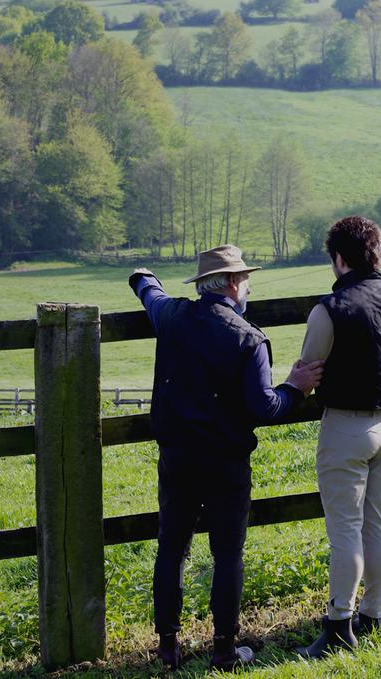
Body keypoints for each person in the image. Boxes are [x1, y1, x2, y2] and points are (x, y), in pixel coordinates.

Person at [129, 244, 323, 671]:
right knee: (228, 553)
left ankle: (167, 647)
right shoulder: (248, 338)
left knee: (172, 549)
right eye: (247, 280)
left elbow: (149, 294)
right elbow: (264, 407)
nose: (249, 287)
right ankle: (222, 649)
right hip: (226, 460)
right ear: (233, 283)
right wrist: (294, 387)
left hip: (176, 457)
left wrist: (143, 277)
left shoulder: (174, 316)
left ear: (206, 285)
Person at [296, 215, 381, 659]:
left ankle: (337, 625)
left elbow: (307, 374)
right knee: (377, 522)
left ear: (338, 258)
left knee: (345, 530)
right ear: (378, 253)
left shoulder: (328, 310)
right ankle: (372, 613)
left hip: (347, 426)